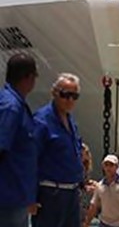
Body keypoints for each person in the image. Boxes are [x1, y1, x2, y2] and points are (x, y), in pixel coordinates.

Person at [32, 73, 84, 227]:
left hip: (72, 194)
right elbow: (30, 159)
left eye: (74, 96)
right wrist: (31, 197)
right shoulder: (41, 121)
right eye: (65, 95)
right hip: (50, 194)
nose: (70, 100)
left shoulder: (70, 120)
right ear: (54, 93)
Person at [0, 54, 39, 227]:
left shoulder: (12, 103)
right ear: (29, 77)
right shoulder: (12, 108)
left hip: (15, 196)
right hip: (8, 198)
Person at [84, 155, 119, 227]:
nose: (108, 168)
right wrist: (87, 223)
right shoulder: (99, 186)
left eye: (111, 165)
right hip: (104, 223)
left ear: (117, 167)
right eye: (106, 165)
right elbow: (93, 206)